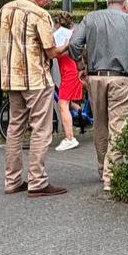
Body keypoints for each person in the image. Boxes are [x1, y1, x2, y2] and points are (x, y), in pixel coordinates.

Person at [69, 0, 128, 191]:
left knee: (100, 124)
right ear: (126, 5)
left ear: (107, 2)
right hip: (120, 78)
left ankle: (101, 167)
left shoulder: (90, 18)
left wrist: (81, 65)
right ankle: (111, 175)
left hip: (95, 77)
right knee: (118, 125)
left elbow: (74, 45)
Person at [0, 0, 67, 197]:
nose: (48, 4)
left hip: (11, 78)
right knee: (40, 129)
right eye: (49, 0)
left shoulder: (5, 9)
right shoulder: (40, 14)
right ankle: (37, 181)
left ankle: (12, 180)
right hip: (36, 80)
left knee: (14, 128)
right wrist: (67, 44)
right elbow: (51, 51)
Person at [51, 10, 81, 152]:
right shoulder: (69, 36)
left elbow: (56, 52)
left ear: (59, 24)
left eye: (55, 24)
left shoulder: (63, 37)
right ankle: (81, 117)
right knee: (69, 103)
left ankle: (70, 138)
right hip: (69, 72)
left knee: (62, 104)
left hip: (69, 73)